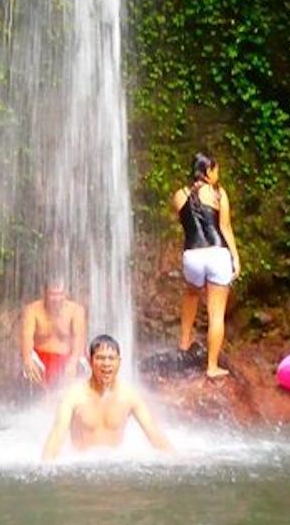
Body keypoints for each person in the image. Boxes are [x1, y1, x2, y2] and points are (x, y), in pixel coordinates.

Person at [42, 334, 174, 459]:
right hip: (83, 469)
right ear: (90, 361)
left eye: (111, 358)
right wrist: (45, 466)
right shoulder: (73, 396)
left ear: (119, 362)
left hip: (115, 469)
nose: (106, 363)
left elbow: (154, 433)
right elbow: (57, 435)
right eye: (100, 358)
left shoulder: (129, 396)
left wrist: (175, 460)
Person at [171, 151, 240, 378]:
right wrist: (235, 258)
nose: (217, 175)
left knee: (191, 294)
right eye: (216, 170)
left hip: (192, 254)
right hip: (216, 253)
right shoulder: (218, 193)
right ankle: (211, 367)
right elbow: (225, 228)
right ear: (208, 170)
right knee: (216, 313)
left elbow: (184, 222)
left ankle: (184, 342)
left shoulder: (180, 195)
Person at [20, 274, 87, 387]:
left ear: (66, 293)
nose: (57, 299)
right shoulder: (32, 310)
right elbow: (26, 338)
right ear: (45, 293)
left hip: (68, 356)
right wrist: (27, 359)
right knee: (28, 373)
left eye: (60, 294)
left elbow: (79, 339)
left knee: (81, 372)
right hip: (41, 357)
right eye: (52, 294)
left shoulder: (76, 310)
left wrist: (73, 362)